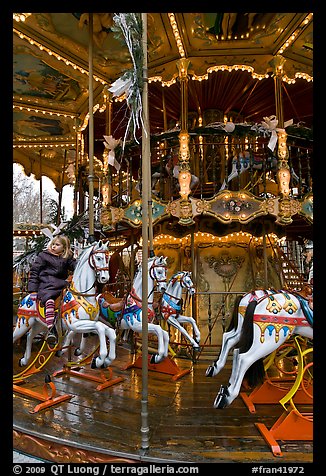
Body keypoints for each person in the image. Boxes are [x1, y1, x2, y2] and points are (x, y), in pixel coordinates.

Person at [28, 235, 76, 342]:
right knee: (49, 301)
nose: (54, 246)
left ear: (64, 248)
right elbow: (34, 272)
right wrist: (33, 290)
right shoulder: (44, 256)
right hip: (46, 285)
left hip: (61, 285)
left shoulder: (66, 258)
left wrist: (74, 258)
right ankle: (51, 329)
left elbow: (75, 266)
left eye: (57, 245)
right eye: (53, 244)